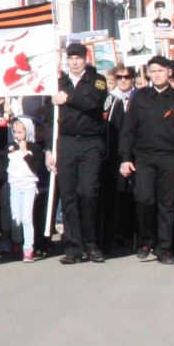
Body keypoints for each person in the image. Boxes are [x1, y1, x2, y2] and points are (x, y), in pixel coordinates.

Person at [119, 56, 174, 263]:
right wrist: (125, 158)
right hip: (145, 157)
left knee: (167, 205)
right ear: (148, 73)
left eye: (160, 71)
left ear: (169, 72)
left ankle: (164, 248)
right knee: (144, 200)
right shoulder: (140, 97)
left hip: (171, 158)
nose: (156, 75)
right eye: (152, 71)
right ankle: (147, 239)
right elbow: (128, 129)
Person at [50, 42, 111, 265]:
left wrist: (68, 98)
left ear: (86, 59)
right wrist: (49, 148)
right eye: (71, 58)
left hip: (90, 143)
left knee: (88, 193)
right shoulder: (59, 82)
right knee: (68, 196)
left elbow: (93, 103)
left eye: (78, 57)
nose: (74, 62)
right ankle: (73, 246)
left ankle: (92, 244)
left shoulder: (97, 80)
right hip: (66, 143)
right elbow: (50, 118)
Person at [6, 117, 44, 262]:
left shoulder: (35, 148)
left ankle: (28, 248)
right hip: (14, 184)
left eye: (20, 132)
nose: (17, 135)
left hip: (29, 184)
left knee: (26, 217)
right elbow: (6, 165)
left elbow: (35, 167)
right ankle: (17, 241)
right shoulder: (10, 146)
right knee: (16, 217)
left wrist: (24, 151)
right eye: (14, 132)